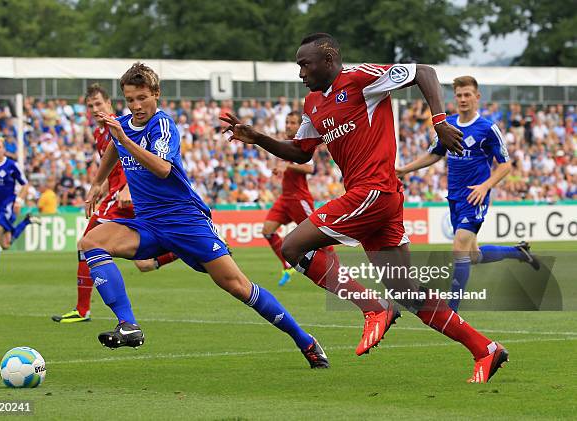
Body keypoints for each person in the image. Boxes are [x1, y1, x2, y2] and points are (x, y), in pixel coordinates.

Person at [221, 33, 508, 383]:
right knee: (408, 293)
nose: (300, 73)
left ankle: (373, 309)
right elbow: (301, 151)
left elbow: (424, 72)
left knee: (293, 246)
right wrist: (260, 138)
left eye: (304, 64)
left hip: (374, 192)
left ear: (328, 60)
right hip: (375, 201)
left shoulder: (361, 79)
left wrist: (439, 121)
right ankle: (485, 349)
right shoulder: (313, 103)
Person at [79, 63, 328, 368]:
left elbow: (162, 168)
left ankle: (305, 340)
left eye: (142, 97)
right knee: (92, 242)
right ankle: (128, 325)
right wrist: (98, 182)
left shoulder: (163, 125)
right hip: (148, 223)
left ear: (156, 94)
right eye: (130, 99)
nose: (136, 106)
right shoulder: (123, 125)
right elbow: (114, 149)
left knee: (239, 287)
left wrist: (124, 139)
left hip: (186, 221)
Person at [396, 76, 540, 311]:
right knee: (472, 255)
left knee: (459, 247)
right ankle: (518, 252)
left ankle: (451, 311)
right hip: (454, 196)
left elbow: (505, 165)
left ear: (477, 97)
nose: (463, 99)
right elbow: (435, 154)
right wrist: (404, 169)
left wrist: (485, 186)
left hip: (475, 196)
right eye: (459, 95)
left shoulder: (488, 128)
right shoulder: (448, 125)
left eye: (467, 95)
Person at [52, 84, 178, 324]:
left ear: (110, 104)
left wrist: (127, 187)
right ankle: (180, 247)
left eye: (99, 104)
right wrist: (99, 186)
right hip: (116, 194)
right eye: (91, 106)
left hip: (125, 195)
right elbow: (114, 165)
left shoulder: (120, 125)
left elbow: (136, 158)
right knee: (143, 263)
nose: (95, 109)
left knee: (86, 243)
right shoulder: (101, 133)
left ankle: (83, 310)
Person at [263, 111, 334, 286]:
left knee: (319, 234)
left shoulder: (303, 145)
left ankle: (336, 269)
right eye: (287, 122)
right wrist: (281, 167)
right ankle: (287, 265)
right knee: (267, 230)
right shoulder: (286, 146)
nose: (288, 125)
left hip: (299, 199)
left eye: (292, 122)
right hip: (285, 198)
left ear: (299, 126)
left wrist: (287, 166)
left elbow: (310, 169)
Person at [0, 137, 39, 277]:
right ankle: (27, 221)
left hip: (8, 205)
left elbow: (25, 184)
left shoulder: (11, 165)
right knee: (5, 244)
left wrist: (19, 201)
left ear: (4, 149)